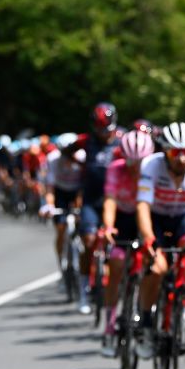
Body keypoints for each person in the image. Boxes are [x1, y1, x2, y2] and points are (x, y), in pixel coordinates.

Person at [135, 122, 185, 358]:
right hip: (156, 217)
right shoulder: (152, 165)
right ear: (165, 151)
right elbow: (143, 205)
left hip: (184, 215)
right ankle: (146, 324)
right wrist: (148, 240)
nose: (182, 158)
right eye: (176, 152)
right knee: (157, 268)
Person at [98, 130, 154, 356]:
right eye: (131, 160)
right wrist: (108, 226)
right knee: (117, 263)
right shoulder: (115, 169)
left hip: (147, 217)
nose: (136, 167)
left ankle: (147, 314)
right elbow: (110, 202)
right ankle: (110, 325)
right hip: (122, 218)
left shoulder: (154, 170)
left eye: (141, 161)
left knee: (150, 265)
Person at [74, 102, 124, 315]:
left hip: (115, 199)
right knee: (88, 241)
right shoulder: (86, 141)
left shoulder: (122, 141)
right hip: (91, 199)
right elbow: (67, 152)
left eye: (106, 129)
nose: (103, 134)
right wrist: (80, 167)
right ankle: (85, 288)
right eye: (99, 129)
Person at [39, 133, 85, 271]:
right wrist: (49, 205)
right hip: (60, 192)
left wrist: (80, 204)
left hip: (78, 190)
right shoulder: (52, 159)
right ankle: (61, 261)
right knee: (60, 228)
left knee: (82, 225)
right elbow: (50, 188)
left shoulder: (83, 156)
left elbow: (86, 183)